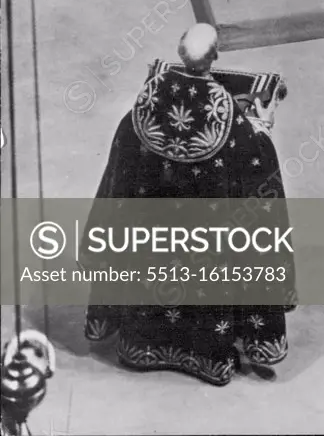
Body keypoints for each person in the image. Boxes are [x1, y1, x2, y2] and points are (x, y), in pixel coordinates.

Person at [83, 24, 294, 386]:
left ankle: (141, 345)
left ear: (179, 54)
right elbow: (255, 165)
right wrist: (263, 125)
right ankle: (207, 356)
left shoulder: (146, 102)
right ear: (214, 57)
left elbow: (124, 162)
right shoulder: (229, 116)